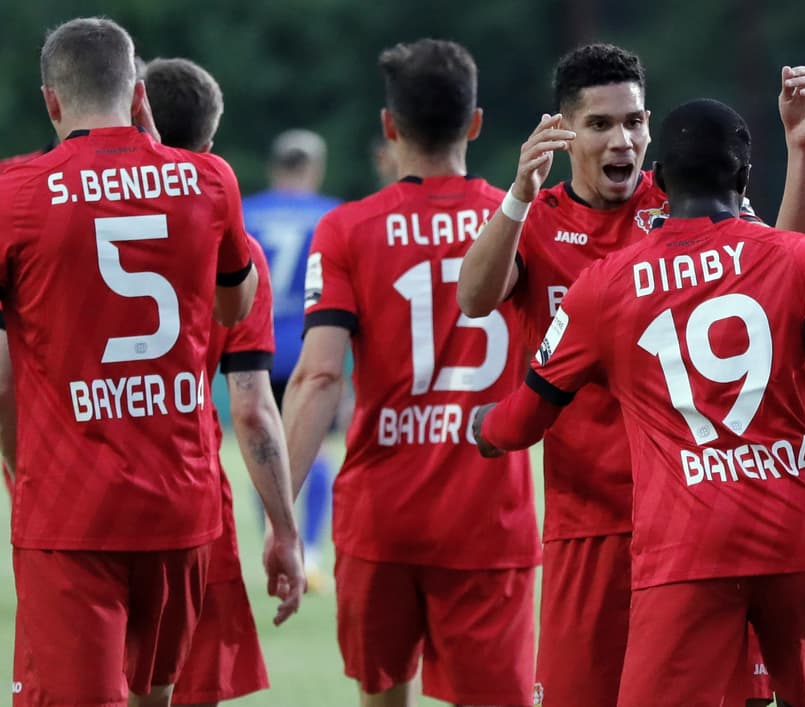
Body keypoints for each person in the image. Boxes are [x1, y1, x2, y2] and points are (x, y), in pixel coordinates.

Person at [475, 97, 805, 707]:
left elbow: (522, 422)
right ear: (745, 179)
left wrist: (484, 426)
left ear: (663, 182)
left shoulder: (607, 284)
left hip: (690, 544)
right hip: (804, 542)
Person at [456, 42, 805, 707]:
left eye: (632, 122)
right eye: (600, 124)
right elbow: (474, 298)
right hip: (588, 527)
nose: (621, 139)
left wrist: (801, 153)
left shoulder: (686, 200)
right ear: (564, 131)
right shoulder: (537, 225)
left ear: (651, 125)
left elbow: (785, 265)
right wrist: (518, 193)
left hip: (700, 519)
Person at [0, 17, 302, 707]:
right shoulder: (210, 181)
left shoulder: (15, 195)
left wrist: (20, 465)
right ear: (138, 94)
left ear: (51, 101)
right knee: (156, 695)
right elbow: (234, 309)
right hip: (181, 502)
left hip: (72, 506)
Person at [282, 38, 540, 707]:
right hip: (490, 513)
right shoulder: (518, 223)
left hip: (382, 513)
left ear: (389, 127)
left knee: (383, 695)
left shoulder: (345, 229)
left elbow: (317, 378)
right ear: (476, 123)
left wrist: (284, 520)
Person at [143, 56, 302, 707]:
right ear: (209, 145)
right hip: (190, 490)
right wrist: (285, 530)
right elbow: (253, 408)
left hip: (82, 484)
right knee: (187, 685)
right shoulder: (232, 244)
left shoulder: (68, 220)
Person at [242, 127, 341, 587]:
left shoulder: (247, 213)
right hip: (309, 350)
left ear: (274, 167)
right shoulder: (331, 216)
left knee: (259, 446)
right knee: (314, 449)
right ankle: (313, 552)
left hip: (254, 349)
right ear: (314, 169)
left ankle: (271, 547)